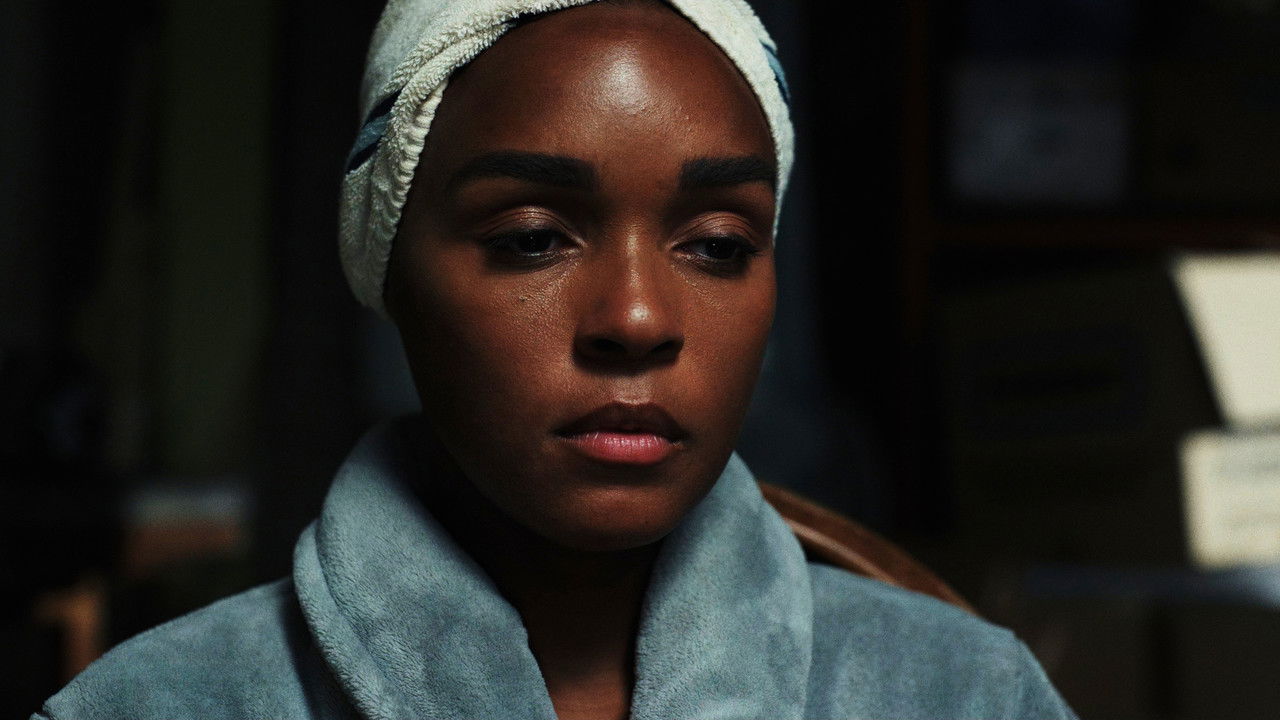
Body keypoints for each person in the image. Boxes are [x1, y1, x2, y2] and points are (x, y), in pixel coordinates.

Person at [34, 0, 1078, 718]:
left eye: (717, 246)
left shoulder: (962, 694)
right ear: (388, 269)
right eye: (533, 237)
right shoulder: (163, 703)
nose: (636, 316)